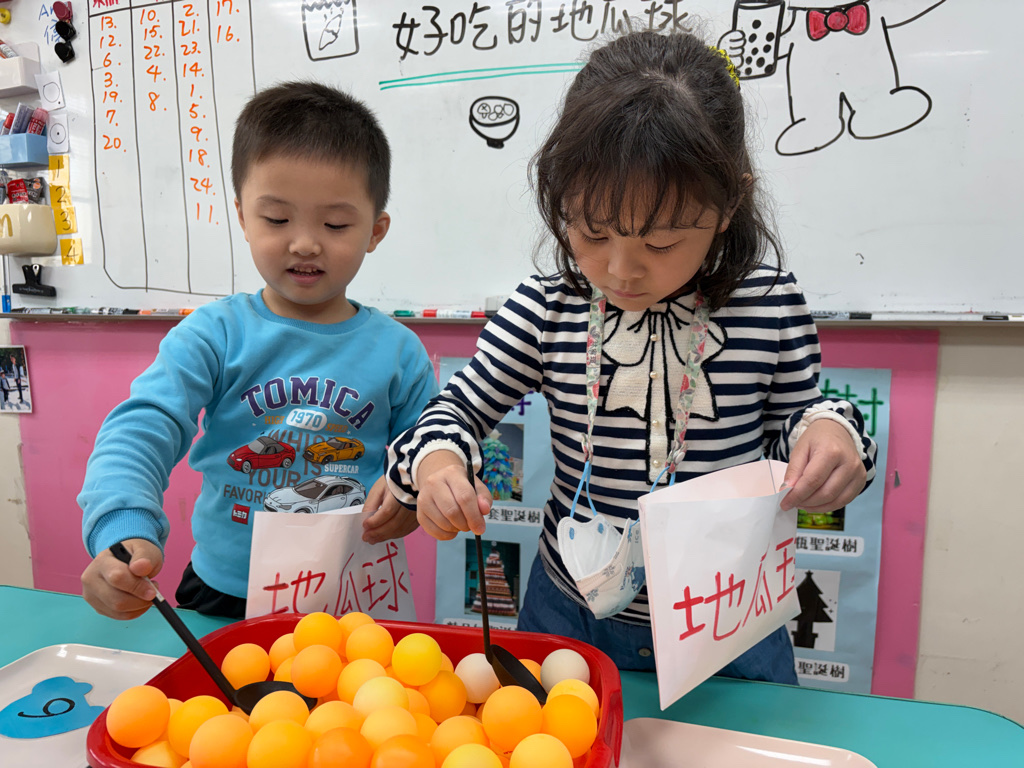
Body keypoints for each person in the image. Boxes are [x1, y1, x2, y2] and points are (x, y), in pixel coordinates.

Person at [387, 30, 877, 682]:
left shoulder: (767, 303)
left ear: (729, 203)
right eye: (592, 233)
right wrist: (439, 463)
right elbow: (452, 412)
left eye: (662, 243)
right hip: (571, 616)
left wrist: (829, 435)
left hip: (727, 622)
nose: (621, 270)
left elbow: (802, 421)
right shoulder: (548, 307)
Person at [80, 82, 439, 621]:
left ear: (375, 230)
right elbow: (142, 426)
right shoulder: (213, 334)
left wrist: (412, 495)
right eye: (276, 219)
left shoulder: (399, 353)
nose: (304, 243)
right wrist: (123, 524)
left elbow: (431, 449)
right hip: (225, 592)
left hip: (349, 596)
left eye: (335, 224)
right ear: (243, 217)